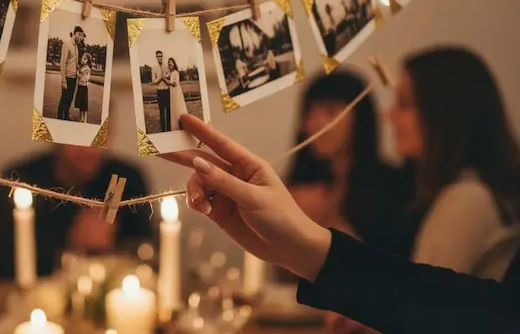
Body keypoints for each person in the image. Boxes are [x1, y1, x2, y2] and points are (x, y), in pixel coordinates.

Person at [165, 114, 520, 334]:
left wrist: (315, 239)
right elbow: (483, 311)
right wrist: (306, 249)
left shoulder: (460, 199)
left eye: (405, 102)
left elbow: (479, 315)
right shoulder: (306, 177)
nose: (390, 114)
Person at [394, 48, 520, 279]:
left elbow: (422, 305)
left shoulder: (467, 200)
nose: (389, 114)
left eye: (404, 104)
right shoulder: (479, 192)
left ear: (443, 112)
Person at [287, 71, 422, 258]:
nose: (316, 124)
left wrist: (326, 220)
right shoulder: (302, 183)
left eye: (330, 112)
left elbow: (389, 271)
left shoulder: (393, 185)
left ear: (359, 118)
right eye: (310, 114)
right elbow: (283, 274)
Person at [0, 142, 154, 279]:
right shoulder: (21, 179)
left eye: (100, 135)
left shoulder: (125, 177)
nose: (89, 148)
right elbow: (1, 261)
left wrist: (112, 244)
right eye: (79, 137)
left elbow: (148, 252)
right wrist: (69, 242)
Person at [57, 27, 84, 121]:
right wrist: (64, 81)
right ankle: (59, 118)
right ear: (75, 34)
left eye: (82, 36)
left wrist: (80, 69)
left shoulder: (76, 46)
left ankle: (66, 116)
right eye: (79, 35)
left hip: (74, 77)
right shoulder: (67, 45)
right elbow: (62, 63)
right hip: (67, 77)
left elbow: (75, 63)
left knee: (70, 99)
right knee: (64, 99)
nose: (81, 37)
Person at [163, 58, 189, 133]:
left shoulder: (175, 72)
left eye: (171, 63)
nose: (170, 64)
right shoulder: (170, 73)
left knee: (177, 107)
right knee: (173, 107)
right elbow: (164, 76)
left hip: (176, 91)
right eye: (169, 63)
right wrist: (164, 76)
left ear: (174, 64)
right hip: (172, 92)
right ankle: (175, 126)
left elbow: (174, 84)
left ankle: (180, 125)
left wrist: (164, 79)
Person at [152, 50, 171, 132]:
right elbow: (154, 81)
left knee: (168, 111)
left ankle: (169, 129)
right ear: (156, 57)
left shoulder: (166, 67)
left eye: (161, 56)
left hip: (167, 91)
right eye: (158, 56)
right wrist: (161, 77)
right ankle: (163, 130)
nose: (159, 58)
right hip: (160, 92)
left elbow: (169, 76)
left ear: (162, 56)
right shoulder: (154, 68)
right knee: (162, 112)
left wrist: (163, 77)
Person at [75, 52, 93, 123]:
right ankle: (81, 118)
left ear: (88, 61)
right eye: (82, 58)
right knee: (80, 103)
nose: (83, 60)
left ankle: (85, 119)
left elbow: (86, 78)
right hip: (80, 86)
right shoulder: (81, 67)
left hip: (84, 87)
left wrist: (79, 75)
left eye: (85, 59)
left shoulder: (87, 68)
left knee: (84, 104)